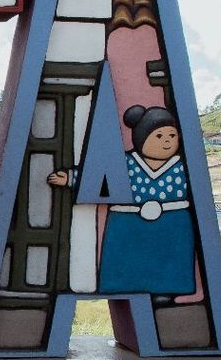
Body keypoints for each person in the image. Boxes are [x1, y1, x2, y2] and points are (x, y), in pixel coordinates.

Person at [48, 105, 196, 296]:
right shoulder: (125, 162)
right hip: (129, 224)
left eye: (172, 135)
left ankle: (166, 293)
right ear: (141, 137)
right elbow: (99, 177)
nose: (167, 141)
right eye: (159, 136)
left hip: (171, 224)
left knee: (170, 265)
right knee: (127, 267)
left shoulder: (181, 166)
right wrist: (70, 178)